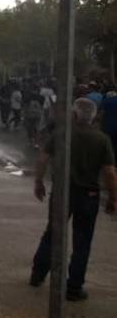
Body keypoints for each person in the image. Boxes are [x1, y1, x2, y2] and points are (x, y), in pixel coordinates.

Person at [30, 98, 117, 300]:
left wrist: (38, 181)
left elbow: (43, 157)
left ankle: (37, 275)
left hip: (62, 192)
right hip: (89, 196)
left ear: (75, 115)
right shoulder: (102, 139)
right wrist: (113, 197)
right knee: (82, 242)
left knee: (52, 233)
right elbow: (110, 172)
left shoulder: (61, 134)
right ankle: (74, 288)